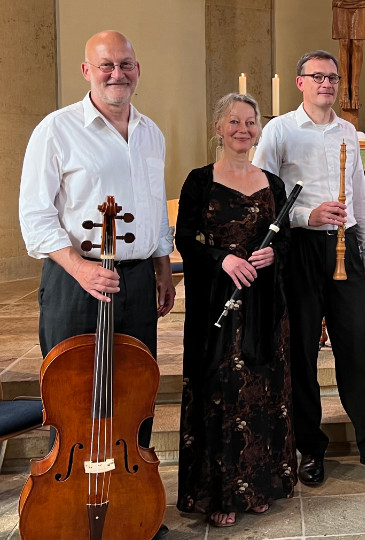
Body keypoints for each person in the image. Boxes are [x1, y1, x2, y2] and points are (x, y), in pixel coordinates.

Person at [19, 30, 174, 540]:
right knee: (72, 395)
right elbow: (36, 217)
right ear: (87, 71)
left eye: (126, 64)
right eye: (106, 65)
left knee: (134, 397)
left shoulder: (151, 132)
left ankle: (132, 506)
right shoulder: (56, 130)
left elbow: (153, 210)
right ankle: (70, 506)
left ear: (137, 69)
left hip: (134, 281)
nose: (117, 74)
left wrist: (160, 267)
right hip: (74, 279)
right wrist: (80, 267)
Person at [252, 49, 365, 485]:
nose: (327, 84)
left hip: (345, 251)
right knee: (302, 352)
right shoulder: (279, 131)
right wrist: (307, 216)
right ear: (300, 82)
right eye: (317, 77)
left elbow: (359, 198)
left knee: (357, 349)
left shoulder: (348, 131)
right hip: (299, 251)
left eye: (333, 78)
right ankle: (309, 448)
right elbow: (261, 196)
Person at [175, 93, 296, 528]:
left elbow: (283, 240)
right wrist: (223, 259)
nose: (243, 129)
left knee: (263, 390)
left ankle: (258, 485)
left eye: (250, 122)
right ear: (218, 128)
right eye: (234, 122)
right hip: (218, 303)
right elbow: (185, 239)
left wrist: (272, 255)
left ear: (259, 129)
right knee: (222, 391)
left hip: (264, 304)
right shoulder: (199, 180)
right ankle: (221, 492)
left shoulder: (273, 183)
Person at [332, 0, 365, 110]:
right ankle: (344, 88)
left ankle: (355, 88)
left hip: (359, 3)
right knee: (344, 42)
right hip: (341, 3)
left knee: (358, 43)